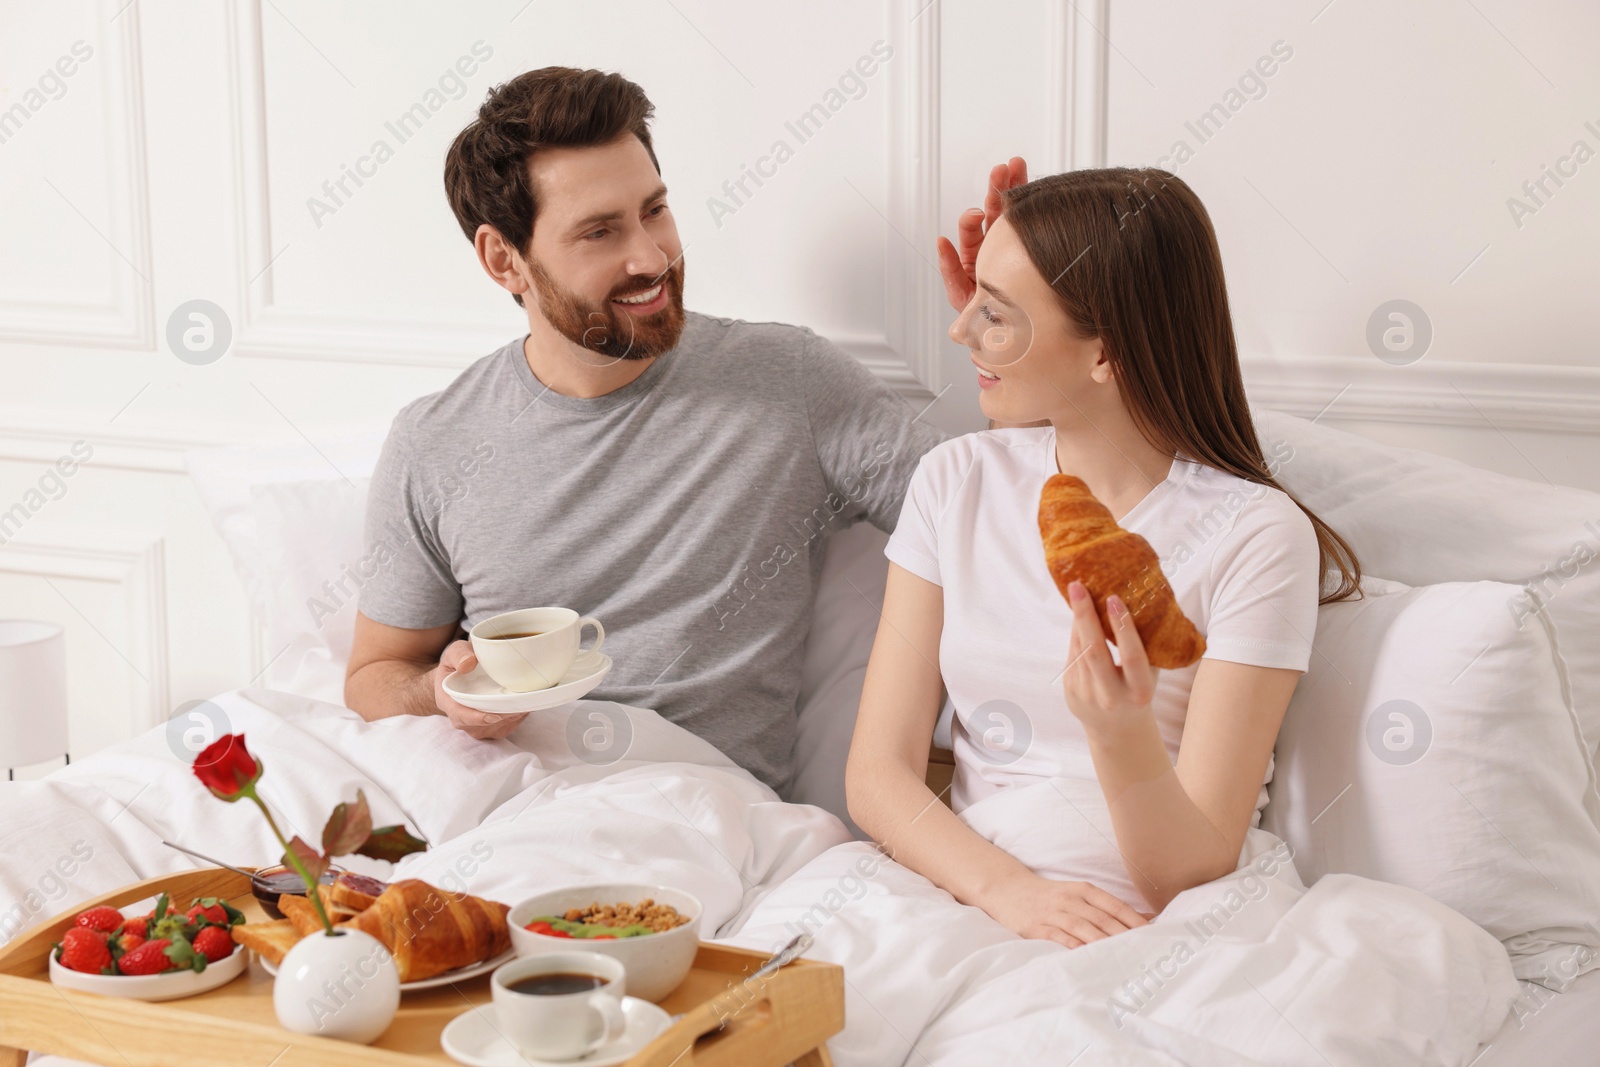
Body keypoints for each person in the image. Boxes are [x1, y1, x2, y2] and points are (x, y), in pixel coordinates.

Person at [342, 67, 948, 800]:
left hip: (701, 813)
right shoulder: (434, 441)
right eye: (600, 232)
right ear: (504, 260)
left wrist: (1016, 342)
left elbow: (990, 521)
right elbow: (375, 675)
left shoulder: (791, 382)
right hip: (506, 805)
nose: (652, 257)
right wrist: (436, 694)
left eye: (654, 211)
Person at [845, 162, 1364, 947]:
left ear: (1104, 354)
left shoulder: (1256, 535)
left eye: (995, 313)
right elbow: (877, 776)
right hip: (969, 896)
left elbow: (1191, 872)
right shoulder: (955, 481)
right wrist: (1011, 893)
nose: (959, 331)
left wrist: (1121, 735)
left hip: (1154, 923)